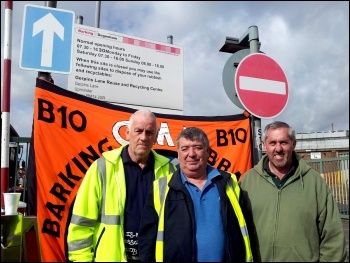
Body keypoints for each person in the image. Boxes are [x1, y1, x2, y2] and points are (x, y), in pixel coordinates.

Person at [67, 109, 176, 262]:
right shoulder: (102, 167)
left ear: (156, 137)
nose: (143, 137)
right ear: (127, 133)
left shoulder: (169, 170)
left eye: (149, 132)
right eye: (138, 131)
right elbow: (81, 223)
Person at [138, 127, 253, 262]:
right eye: (185, 149)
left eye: (197, 147)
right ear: (178, 153)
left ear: (207, 151)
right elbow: (147, 239)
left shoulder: (229, 183)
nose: (191, 154)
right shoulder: (161, 188)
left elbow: (247, 229)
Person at [239, 121, 347, 262]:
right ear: (265, 145)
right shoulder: (248, 181)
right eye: (272, 143)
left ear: (293, 144)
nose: (278, 148)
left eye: (284, 142)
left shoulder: (314, 182)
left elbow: (333, 236)